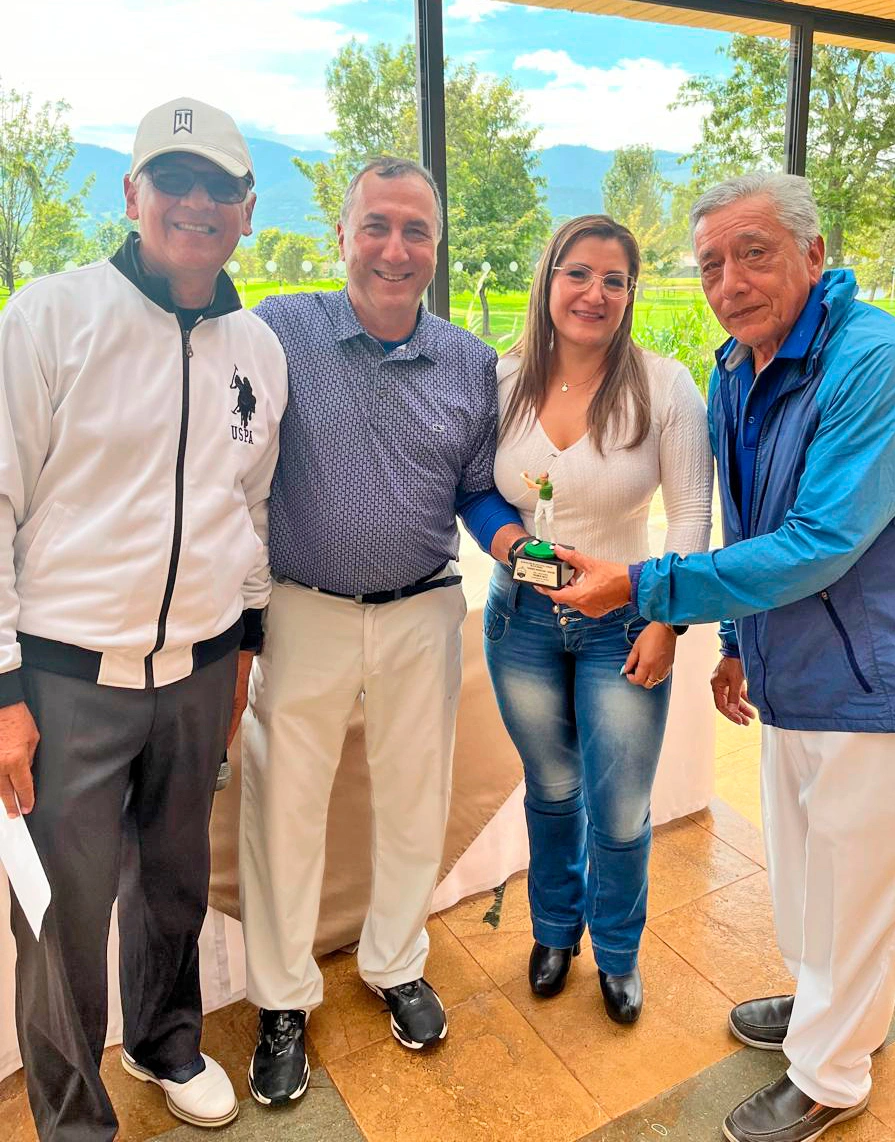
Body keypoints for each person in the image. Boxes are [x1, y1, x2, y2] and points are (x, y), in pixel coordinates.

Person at [542, 174, 895, 1142]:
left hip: (873, 679)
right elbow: (750, 518)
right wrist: (734, 640)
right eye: (711, 265)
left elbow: (819, 541)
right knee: (809, 875)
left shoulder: (878, 362)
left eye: (754, 253)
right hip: (789, 670)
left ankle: (832, 1073)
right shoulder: (740, 366)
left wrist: (642, 587)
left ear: (814, 254)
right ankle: (824, 1006)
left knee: (859, 887)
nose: (730, 282)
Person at [0, 97, 287, 1140]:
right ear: (134, 194)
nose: (196, 202)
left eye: (221, 187)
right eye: (175, 179)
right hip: (65, 678)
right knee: (62, 918)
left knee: (173, 884)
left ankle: (165, 1041)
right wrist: (4, 689)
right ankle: (75, 1118)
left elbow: (250, 508)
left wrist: (243, 643)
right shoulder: (49, 316)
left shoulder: (258, 348)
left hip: (200, 670)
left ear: (247, 209)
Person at [239, 156, 527, 1105]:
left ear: (436, 248)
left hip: (423, 608)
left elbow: (477, 489)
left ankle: (395, 962)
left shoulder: (469, 362)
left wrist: (514, 544)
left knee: (415, 798)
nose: (395, 249)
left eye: (415, 231)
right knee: (284, 805)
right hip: (303, 609)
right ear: (342, 236)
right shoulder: (281, 330)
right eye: (377, 226)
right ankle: (283, 998)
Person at [485, 215, 712, 1023]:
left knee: (618, 808)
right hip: (521, 623)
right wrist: (513, 548)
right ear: (549, 279)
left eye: (615, 280)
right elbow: (476, 492)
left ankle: (617, 951)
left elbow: (692, 514)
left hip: (624, 626)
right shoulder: (503, 380)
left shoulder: (665, 386)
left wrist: (666, 622)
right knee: (551, 791)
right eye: (578, 273)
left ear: (631, 294)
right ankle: (554, 931)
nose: (596, 293)